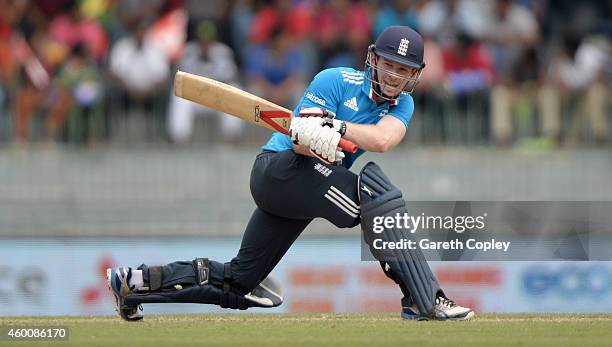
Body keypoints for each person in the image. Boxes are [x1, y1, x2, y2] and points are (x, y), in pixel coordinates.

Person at [107, 26, 475, 322]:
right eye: (390, 65)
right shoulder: (335, 80)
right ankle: (424, 299)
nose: (395, 76)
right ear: (373, 60)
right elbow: (299, 145)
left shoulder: (403, 104)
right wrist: (315, 137)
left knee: (241, 283)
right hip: (280, 170)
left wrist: (336, 129)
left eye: (405, 70)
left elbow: (382, 140)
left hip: (307, 187)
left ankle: (135, 282)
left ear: (415, 75)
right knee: (376, 197)